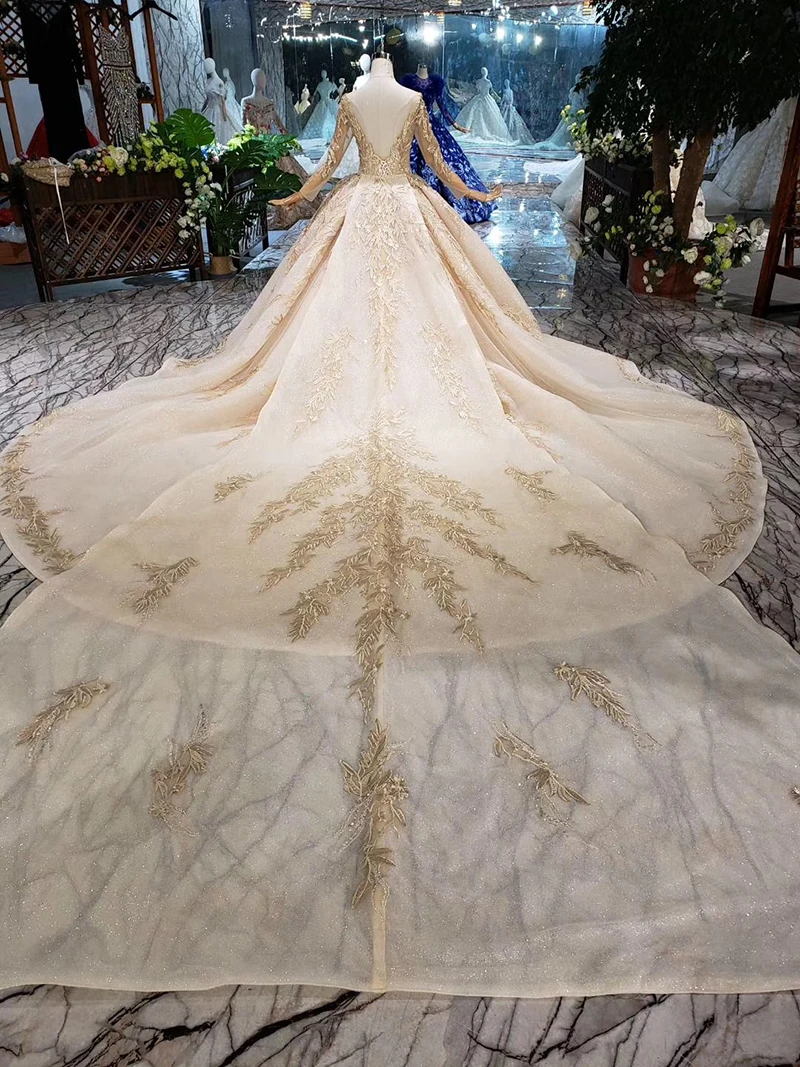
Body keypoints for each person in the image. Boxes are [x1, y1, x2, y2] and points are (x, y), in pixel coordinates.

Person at [1, 55, 800, 1000]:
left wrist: (310, 201)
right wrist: (420, 193)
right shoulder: (393, 100)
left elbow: (342, 165)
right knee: (355, 348)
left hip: (365, 219)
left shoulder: (373, 99)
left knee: (418, 345)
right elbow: (417, 165)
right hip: (397, 219)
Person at [400, 62, 495, 224]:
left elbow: (442, 106)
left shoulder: (435, 83)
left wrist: (455, 124)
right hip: (411, 128)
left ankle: (452, 201)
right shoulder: (408, 82)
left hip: (432, 127)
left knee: (445, 161)